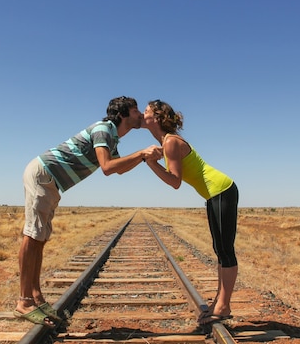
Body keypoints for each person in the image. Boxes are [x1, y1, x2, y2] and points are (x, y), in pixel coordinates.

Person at [16, 96, 162, 327]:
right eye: (136, 110)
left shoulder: (112, 137)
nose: (140, 115)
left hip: (51, 181)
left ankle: (36, 297)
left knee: (40, 239)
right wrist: (142, 153)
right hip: (43, 175)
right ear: (123, 113)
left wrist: (143, 156)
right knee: (33, 235)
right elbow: (107, 167)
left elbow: (118, 169)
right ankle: (24, 301)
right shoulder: (104, 129)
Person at [142, 99, 239, 325]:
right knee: (220, 249)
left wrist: (151, 163)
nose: (142, 114)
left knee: (225, 250)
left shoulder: (171, 142)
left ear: (156, 117)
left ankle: (223, 306)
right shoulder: (167, 142)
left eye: (146, 111)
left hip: (221, 190)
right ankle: (219, 302)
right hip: (215, 194)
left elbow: (174, 181)